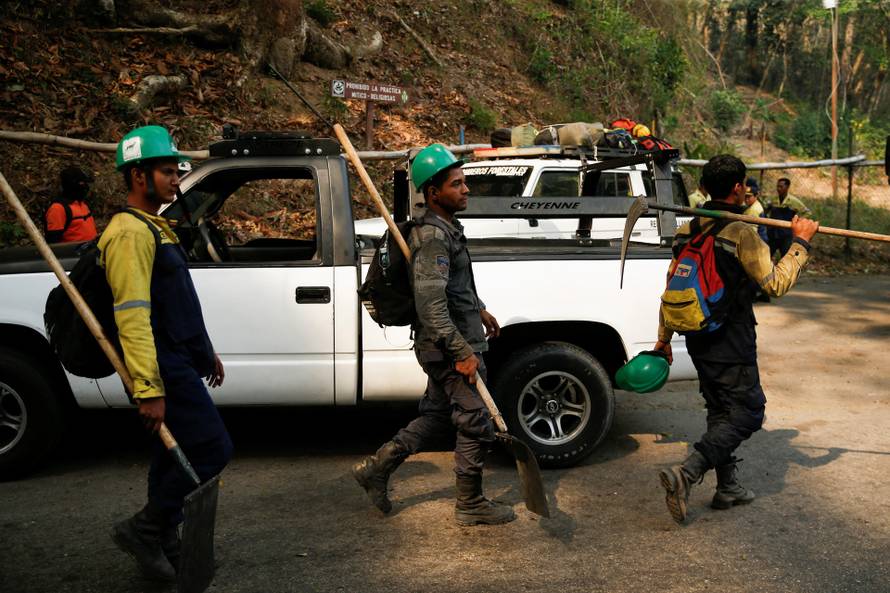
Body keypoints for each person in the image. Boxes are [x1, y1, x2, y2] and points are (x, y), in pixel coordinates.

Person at [351, 144, 515, 526]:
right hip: (446, 348)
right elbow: (431, 307)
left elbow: (451, 288)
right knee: (475, 418)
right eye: (456, 184)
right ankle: (470, 503)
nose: (465, 189)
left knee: (439, 417)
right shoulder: (433, 239)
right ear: (433, 193)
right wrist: (462, 352)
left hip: (447, 342)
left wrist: (478, 308)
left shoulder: (447, 230)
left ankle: (377, 468)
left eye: (464, 182)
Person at [654, 155, 819, 524]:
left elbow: (671, 286)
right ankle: (688, 473)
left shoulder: (687, 230)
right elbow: (775, 284)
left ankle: (728, 487)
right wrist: (801, 243)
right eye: (744, 184)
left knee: (720, 411)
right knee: (748, 413)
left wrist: (663, 339)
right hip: (731, 339)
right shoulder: (741, 232)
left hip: (697, 336)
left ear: (704, 188)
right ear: (737, 188)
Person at [102, 125, 233, 580]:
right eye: (165, 171)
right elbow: (133, 316)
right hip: (160, 365)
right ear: (138, 177)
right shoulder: (128, 234)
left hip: (177, 360)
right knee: (213, 447)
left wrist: (204, 352)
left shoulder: (153, 227)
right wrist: (149, 388)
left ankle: (164, 543)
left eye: (176, 170)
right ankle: (146, 527)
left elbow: (176, 301)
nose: (176, 179)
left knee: (169, 455)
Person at [45, 165, 98, 243]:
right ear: (71, 185)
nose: (85, 187)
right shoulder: (58, 208)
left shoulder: (82, 204)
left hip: (92, 248)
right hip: (74, 250)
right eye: (82, 183)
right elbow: (53, 242)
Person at [764, 177, 811, 258]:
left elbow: (807, 212)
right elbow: (765, 210)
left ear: (787, 187)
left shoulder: (793, 201)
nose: (778, 189)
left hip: (786, 235)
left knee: (786, 257)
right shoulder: (772, 199)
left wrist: (797, 221)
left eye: (781, 187)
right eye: (777, 186)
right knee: (766, 255)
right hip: (772, 233)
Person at [743, 177, 769, 244]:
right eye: (745, 196)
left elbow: (751, 233)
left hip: (757, 241)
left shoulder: (754, 209)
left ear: (756, 196)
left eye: (749, 197)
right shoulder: (753, 205)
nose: (746, 199)